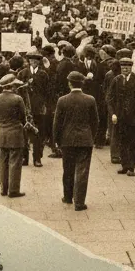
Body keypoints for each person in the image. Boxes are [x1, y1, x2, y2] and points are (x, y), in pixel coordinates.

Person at [53, 70, 96, 211]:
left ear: (69, 83)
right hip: (85, 139)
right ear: (82, 83)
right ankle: (79, 202)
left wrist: (56, 140)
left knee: (68, 169)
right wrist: (91, 136)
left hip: (67, 139)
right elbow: (95, 122)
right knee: (82, 171)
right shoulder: (90, 99)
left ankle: (67, 196)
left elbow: (57, 123)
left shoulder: (62, 100)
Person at [0, 74, 31, 198]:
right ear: (11, 85)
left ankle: (3, 188)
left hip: (1, 133)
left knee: (3, 161)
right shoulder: (18, 99)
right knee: (15, 162)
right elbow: (23, 117)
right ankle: (13, 190)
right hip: (15, 133)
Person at [107, 56, 135, 175]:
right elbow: (110, 98)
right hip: (120, 117)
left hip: (134, 117)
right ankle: (125, 166)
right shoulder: (116, 80)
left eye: (128, 67)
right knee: (122, 142)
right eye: (123, 67)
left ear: (131, 67)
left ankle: (131, 167)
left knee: (134, 143)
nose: (125, 69)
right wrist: (113, 113)